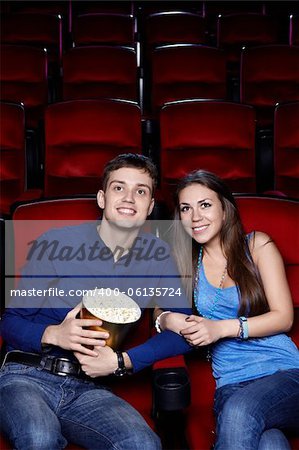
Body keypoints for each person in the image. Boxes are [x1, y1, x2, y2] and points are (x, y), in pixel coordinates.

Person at [0, 154, 192, 450]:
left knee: (143, 444)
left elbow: (184, 333)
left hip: (89, 387)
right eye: (119, 188)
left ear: (150, 206)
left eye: (141, 191)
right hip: (28, 375)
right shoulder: (56, 244)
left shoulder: (159, 255)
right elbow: (10, 321)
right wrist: (54, 334)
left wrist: (121, 361)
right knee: (40, 439)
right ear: (102, 198)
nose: (129, 198)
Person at [156, 170, 299, 450]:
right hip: (231, 383)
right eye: (186, 208)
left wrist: (220, 328)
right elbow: (159, 312)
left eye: (205, 205)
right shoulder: (184, 262)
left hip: (285, 374)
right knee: (271, 444)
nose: (195, 216)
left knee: (239, 412)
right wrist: (167, 318)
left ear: (225, 209)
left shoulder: (257, 245)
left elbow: (284, 317)